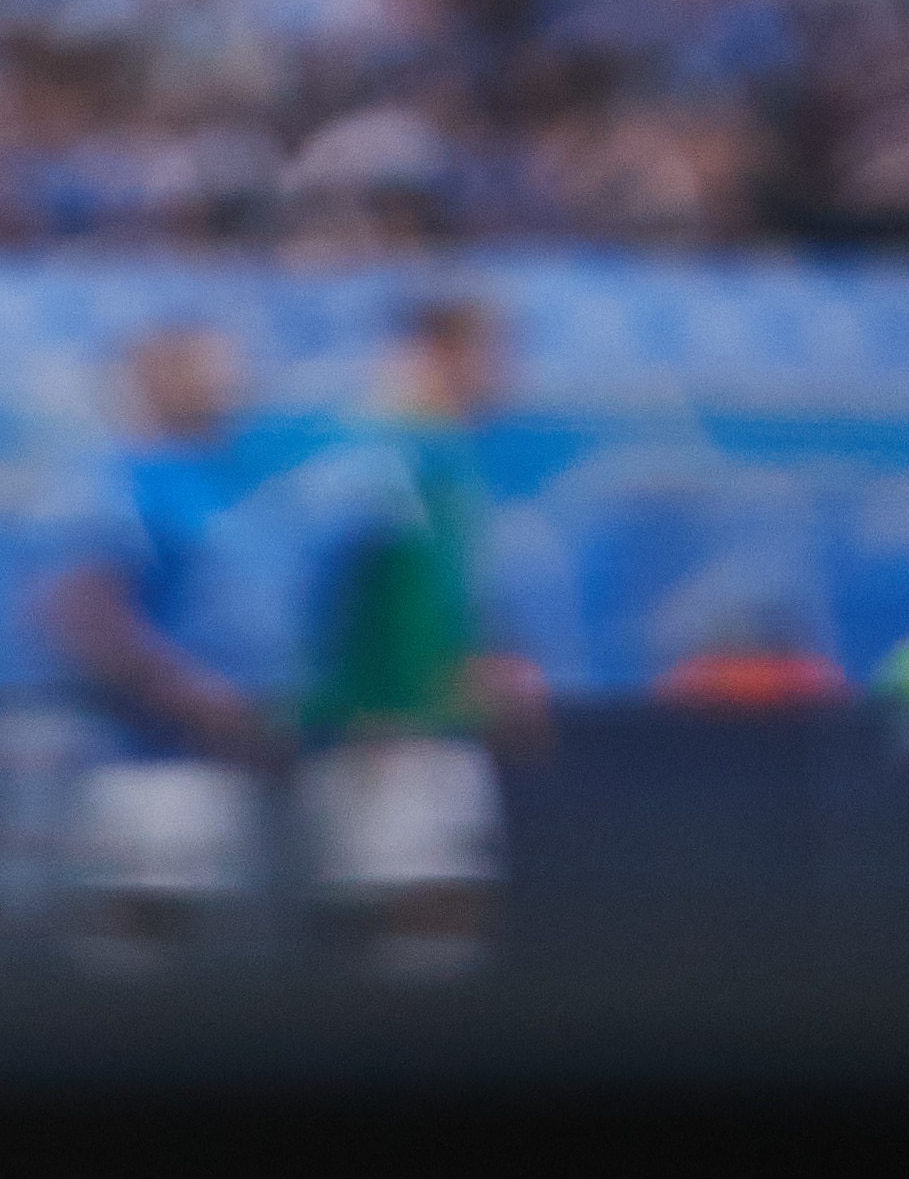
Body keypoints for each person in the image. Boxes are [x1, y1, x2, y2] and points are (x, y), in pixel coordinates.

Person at [293, 292, 547, 983]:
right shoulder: (387, 452)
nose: (506, 374)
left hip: (433, 720)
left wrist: (490, 661)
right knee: (414, 909)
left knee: (444, 911)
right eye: (493, 354)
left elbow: (443, 592)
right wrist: (376, 703)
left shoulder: (442, 455)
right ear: (442, 354)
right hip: (392, 725)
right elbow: (342, 586)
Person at [38, 320, 286, 973]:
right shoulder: (118, 478)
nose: (232, 388)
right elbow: (82, 608)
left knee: (212, 956)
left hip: (221, 754)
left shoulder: (219, 480)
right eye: (211, 371)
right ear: (160, 378)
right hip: (142, 758)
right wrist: (183, 689)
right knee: (140, 943)